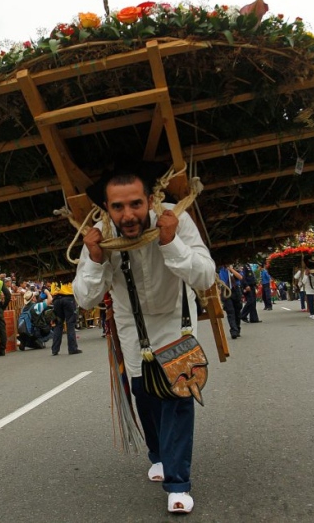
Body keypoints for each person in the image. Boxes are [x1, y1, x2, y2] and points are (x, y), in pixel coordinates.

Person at [72, 168, 215, 514]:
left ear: (150, 200)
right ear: (106, 207)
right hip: (131, 328)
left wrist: (171, 241)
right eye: (118, 207)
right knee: (145, 395)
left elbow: (206, 274)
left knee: (177, 396)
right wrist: (93, 258)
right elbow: (85, 299)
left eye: (136, 204)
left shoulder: (175, 219)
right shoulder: (101, 234)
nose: (128, 215)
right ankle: (158, 454)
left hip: (175, 324)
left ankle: (178, 483)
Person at [49, 279, 81, 356]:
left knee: (58, 324)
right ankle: (72, 348)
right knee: (70, 323)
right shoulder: (69, 276)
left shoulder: (54, 277)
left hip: (56, 299)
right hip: (68, 299)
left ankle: (54, 349)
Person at [217, 264, 242, 338]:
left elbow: (240, 277)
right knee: (230, 311)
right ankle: (233, 331)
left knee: (237, 311)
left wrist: (231, 269)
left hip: (236, 289)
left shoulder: (235, 267)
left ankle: (237, 328)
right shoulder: (219, 269)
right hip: (225, 290)